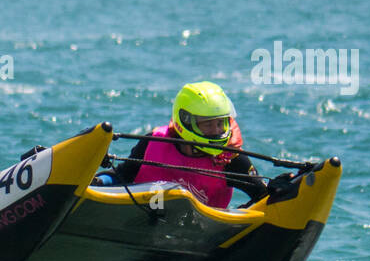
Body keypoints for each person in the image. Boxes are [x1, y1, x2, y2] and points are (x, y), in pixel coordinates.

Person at [97, 81, 267, 207]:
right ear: (185, 121)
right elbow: (121, 176)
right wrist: (99, 182)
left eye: (220, 123)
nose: (216, 131)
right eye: (208, 124)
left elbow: (263, 196)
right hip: (140, 222)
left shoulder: (230, 158)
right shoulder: (154, 142)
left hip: (204, 236)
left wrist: (277, 190)